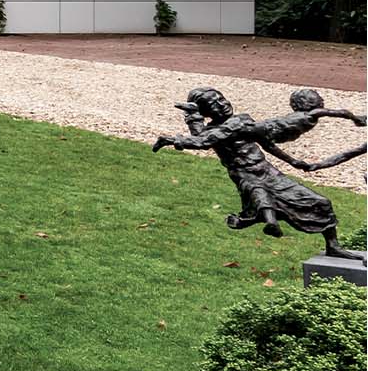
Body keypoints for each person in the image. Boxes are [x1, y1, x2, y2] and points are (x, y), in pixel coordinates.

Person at [152, 87, 364, 260]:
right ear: (206, 111)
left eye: (222, 98)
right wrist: (188, 120)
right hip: (244, 174)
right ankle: (266, 220)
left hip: (267, 171)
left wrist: (294, 161)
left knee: (321, 202)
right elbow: (201, 139)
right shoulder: (215, 131)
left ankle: (332, 246)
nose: (222, 104)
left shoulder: (241, 121)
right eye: (213, 104)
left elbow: (267, 144)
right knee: (260, 196)